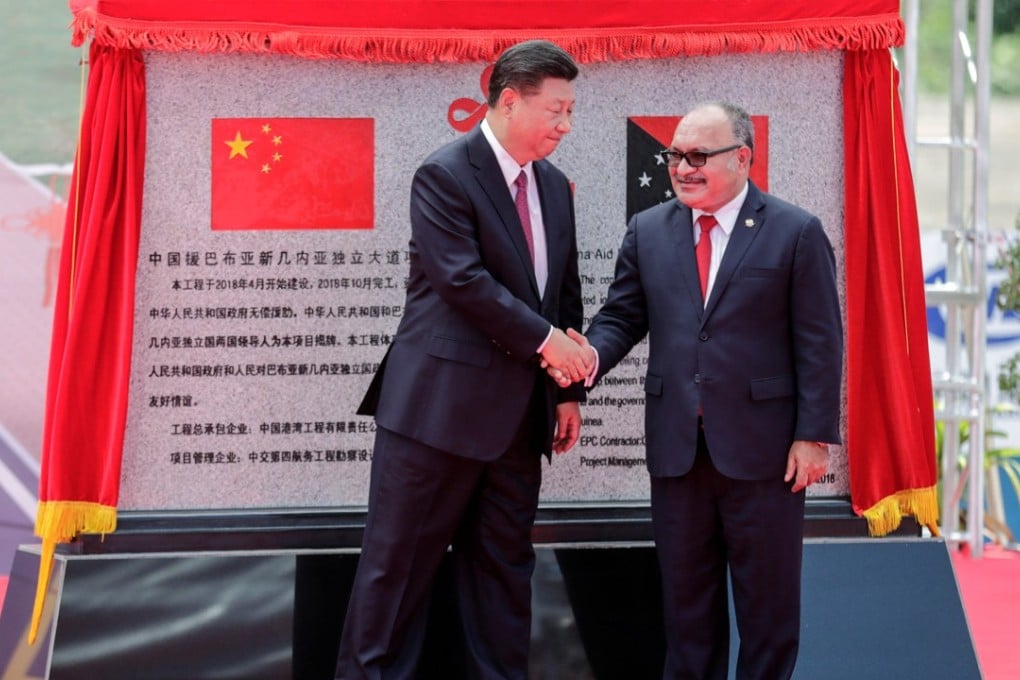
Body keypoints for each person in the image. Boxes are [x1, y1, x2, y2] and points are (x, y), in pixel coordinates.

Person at [560, 101, 842, 679]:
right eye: (674, 156)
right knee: (687, 615)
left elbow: (820, 341)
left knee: (768, 616)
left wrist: (813, 436)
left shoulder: (795, 231)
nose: (682, 168)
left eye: (697, 156)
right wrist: (588, 357)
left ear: (742, 158)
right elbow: (622, 318)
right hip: (678, 453)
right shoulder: (648, 231)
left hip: (766, 457)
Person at [335, 39, 591, 680]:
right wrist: (549, 344)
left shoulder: (554, 186)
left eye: (570, 111)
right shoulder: (445, 174)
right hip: (437, 417)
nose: (565, 125)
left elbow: (563, 293)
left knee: (504, 576)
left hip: (519, 422)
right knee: (397, 574)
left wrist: (566, 392)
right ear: (509, 101)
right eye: (555, 110)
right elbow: (463, 281)